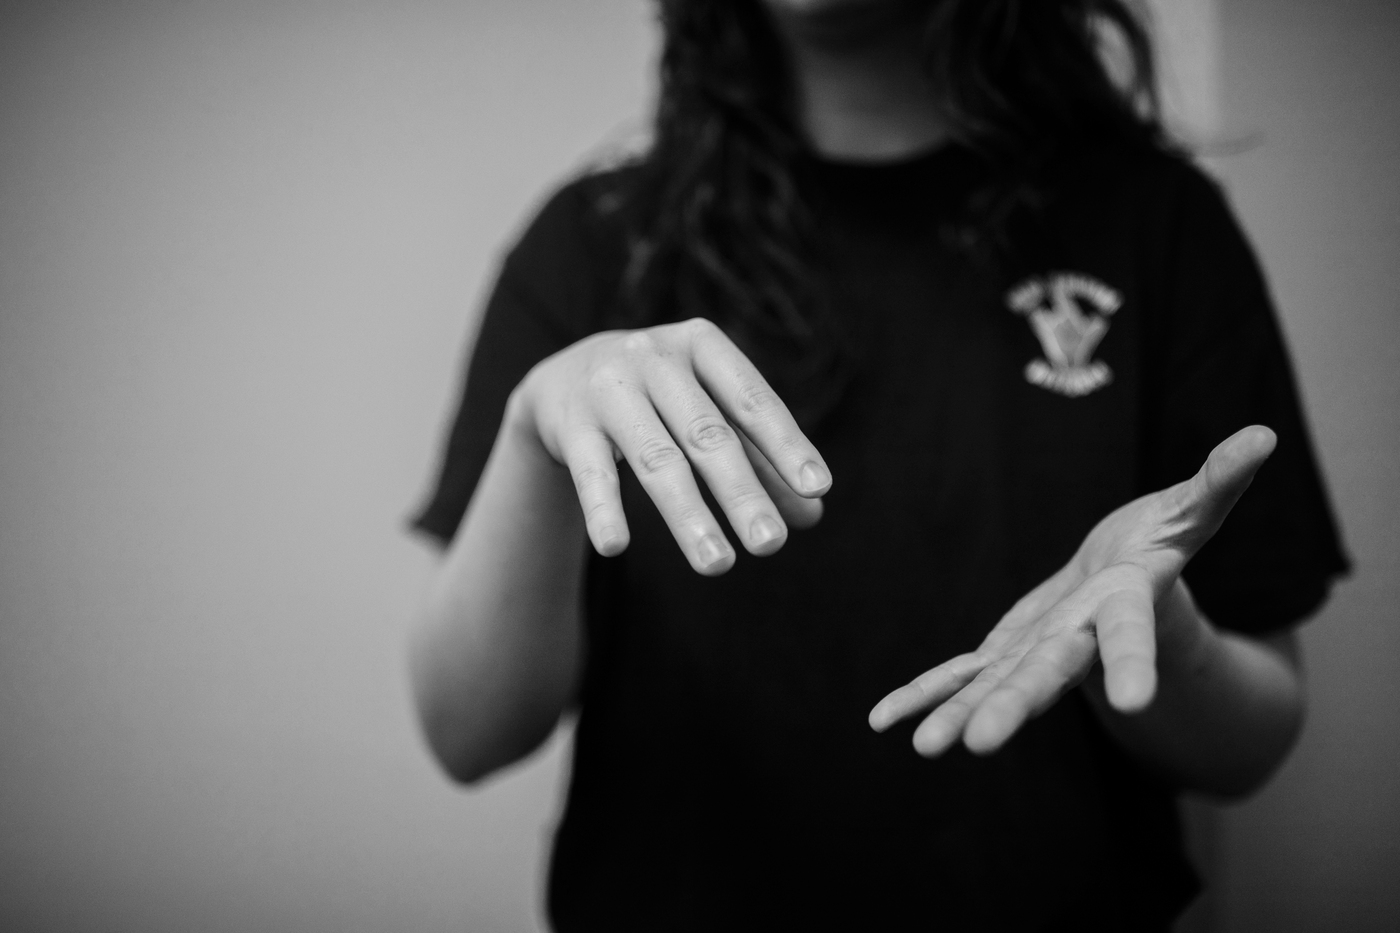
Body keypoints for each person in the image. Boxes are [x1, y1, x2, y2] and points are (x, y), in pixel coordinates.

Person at [407, 1, 1349, 929]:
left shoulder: (1153, 221)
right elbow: (468, 732)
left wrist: (1160, 636)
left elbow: (1250, 744)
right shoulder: (594, 239)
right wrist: (531, 437)